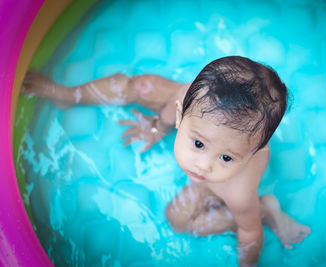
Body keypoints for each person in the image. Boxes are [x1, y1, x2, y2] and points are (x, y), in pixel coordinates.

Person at [22, 56, 311, 266]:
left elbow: (250, 234)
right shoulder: (186, 99)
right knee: (141, 86)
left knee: (178, 220)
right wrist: (156, 128)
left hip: (227, 185)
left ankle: (266, 208)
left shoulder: (236, 188)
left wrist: (247, 262)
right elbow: (168, 113)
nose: (203, 165)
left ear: (252, 154)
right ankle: (68, 95)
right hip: (199, 115)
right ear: (179, 116)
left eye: (226, 157)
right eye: (197, 144)